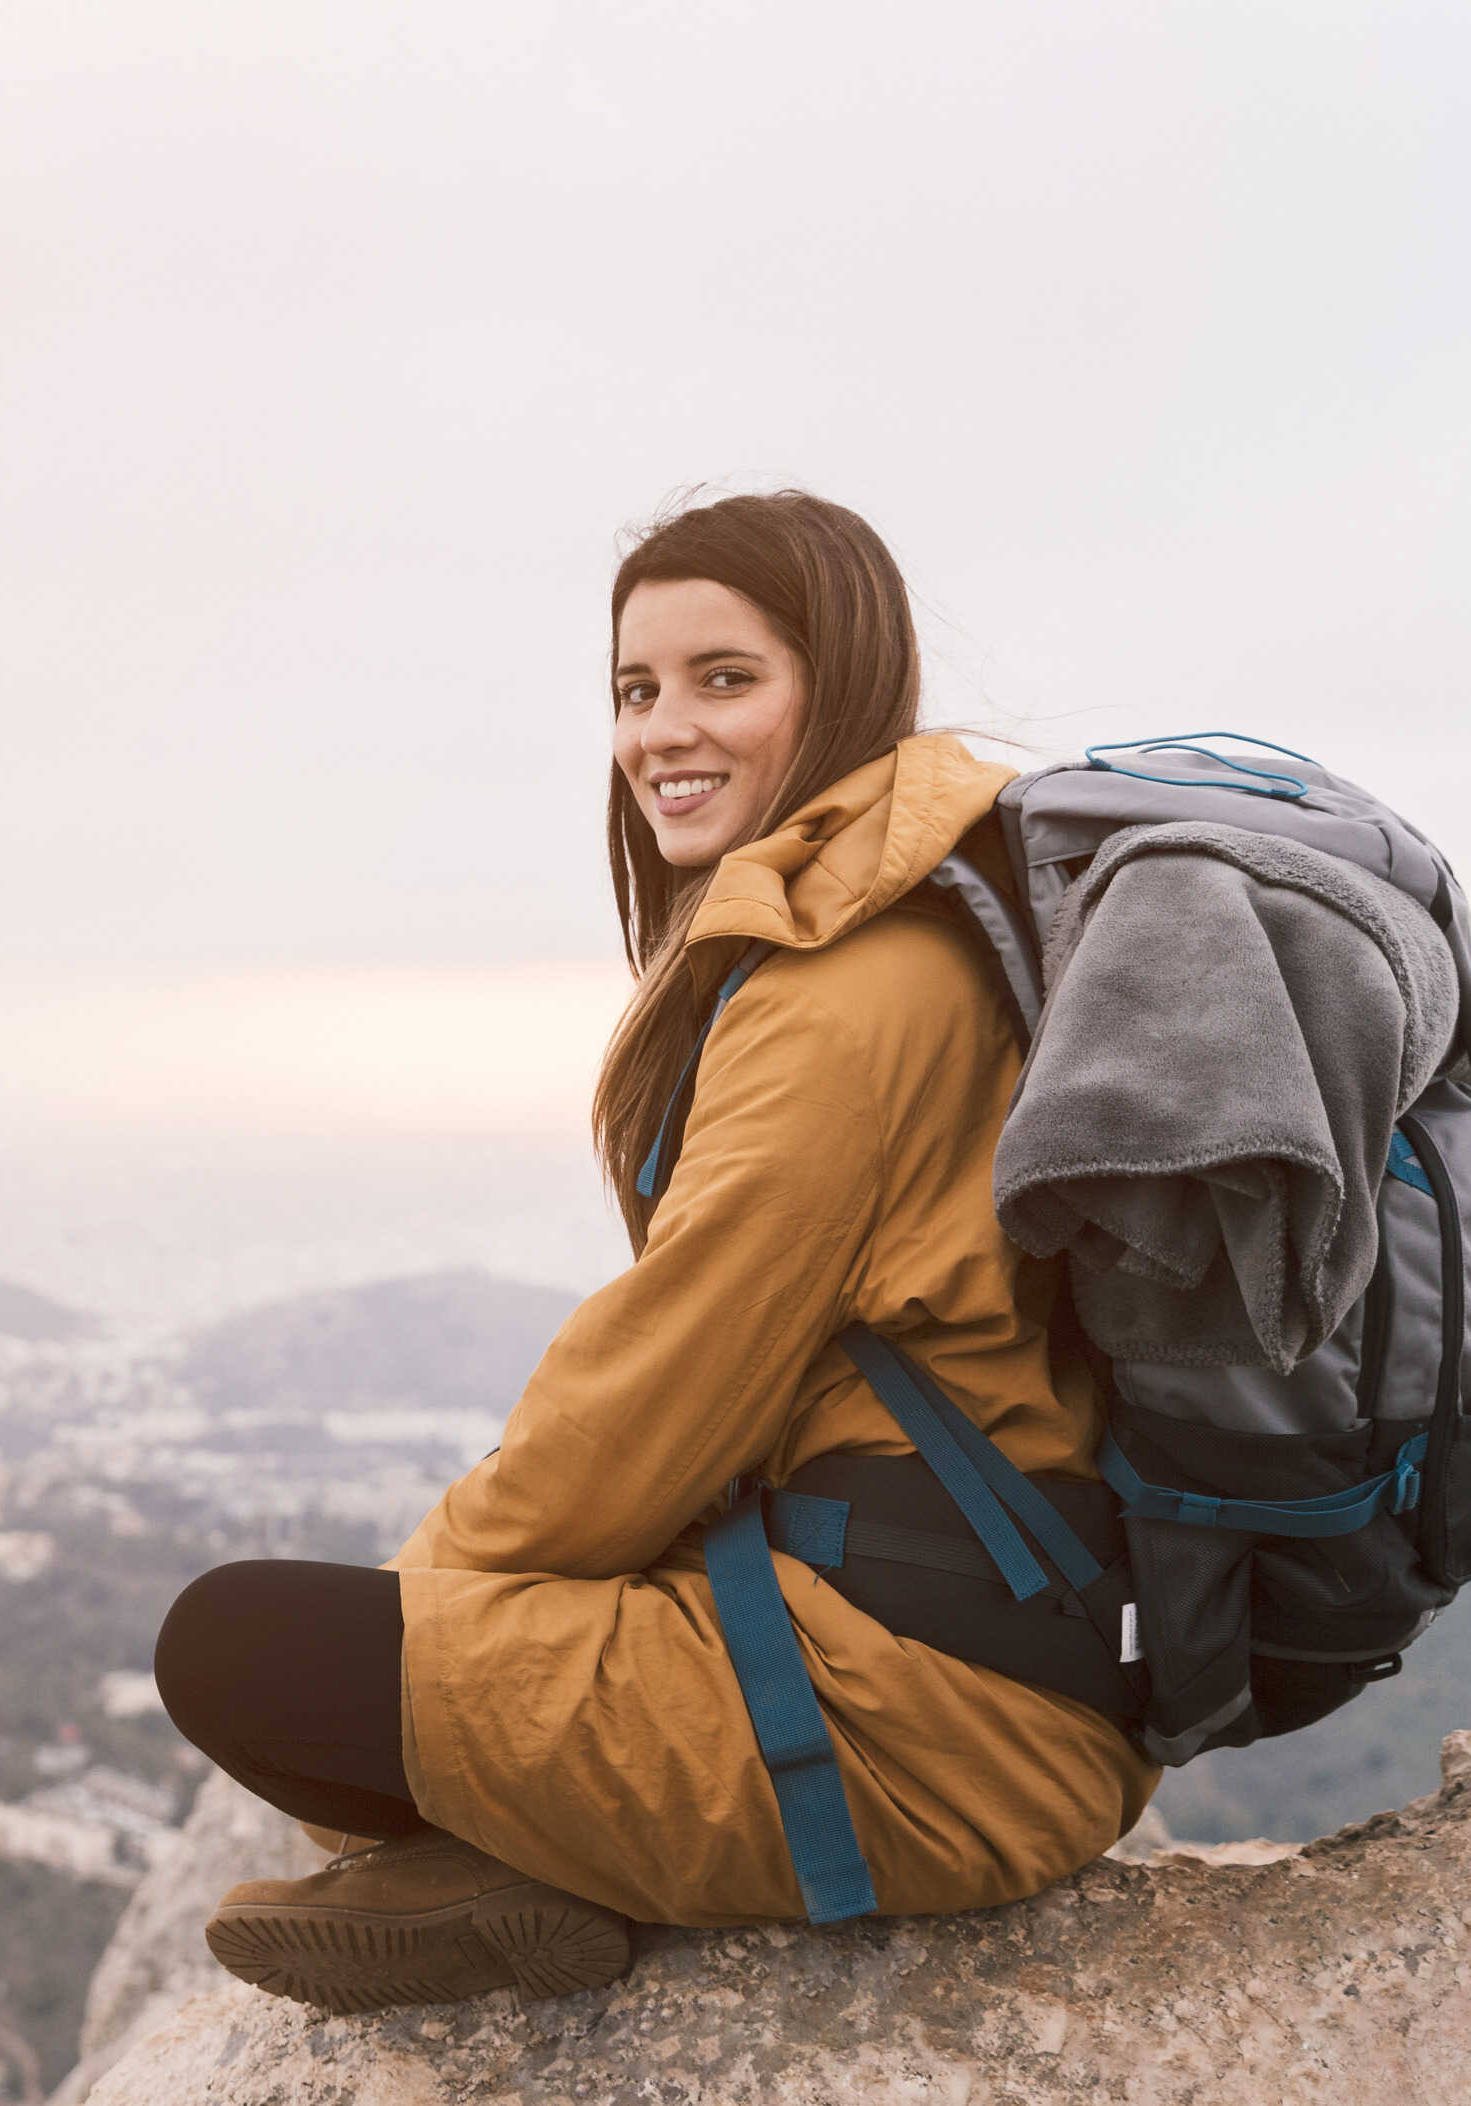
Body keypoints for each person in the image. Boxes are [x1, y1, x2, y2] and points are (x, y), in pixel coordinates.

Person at [153, 490, 1158, 2015]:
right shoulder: (923, 916)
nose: (661, 731)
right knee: (373, 1691)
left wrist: (429, 1608)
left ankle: (520, 1860)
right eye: (636, 689)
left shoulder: (846, 986)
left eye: (724, 677)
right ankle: (510, 1872)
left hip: (937, 1714)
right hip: (974, 1636)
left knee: (246, 1650)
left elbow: (660, 1392)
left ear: (845, 685)